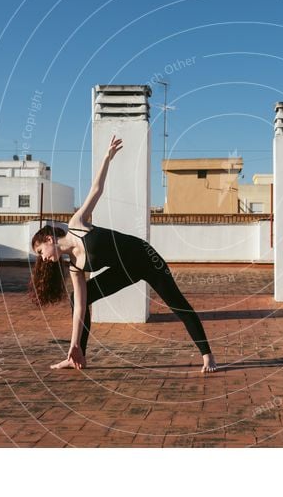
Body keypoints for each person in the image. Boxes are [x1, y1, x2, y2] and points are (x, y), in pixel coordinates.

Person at [30, 136, 217, 373]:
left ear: (49, 239)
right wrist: (74, 344)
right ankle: (78, 356)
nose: (42, 258)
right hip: (124, 271)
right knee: (79, 299)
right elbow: (79, 308)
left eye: (40, 251)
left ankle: (207, 355)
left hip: (146, 258)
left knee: (178, 305)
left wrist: (107, 158)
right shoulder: (74, 267)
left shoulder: (77, 224)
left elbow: (96, 189)